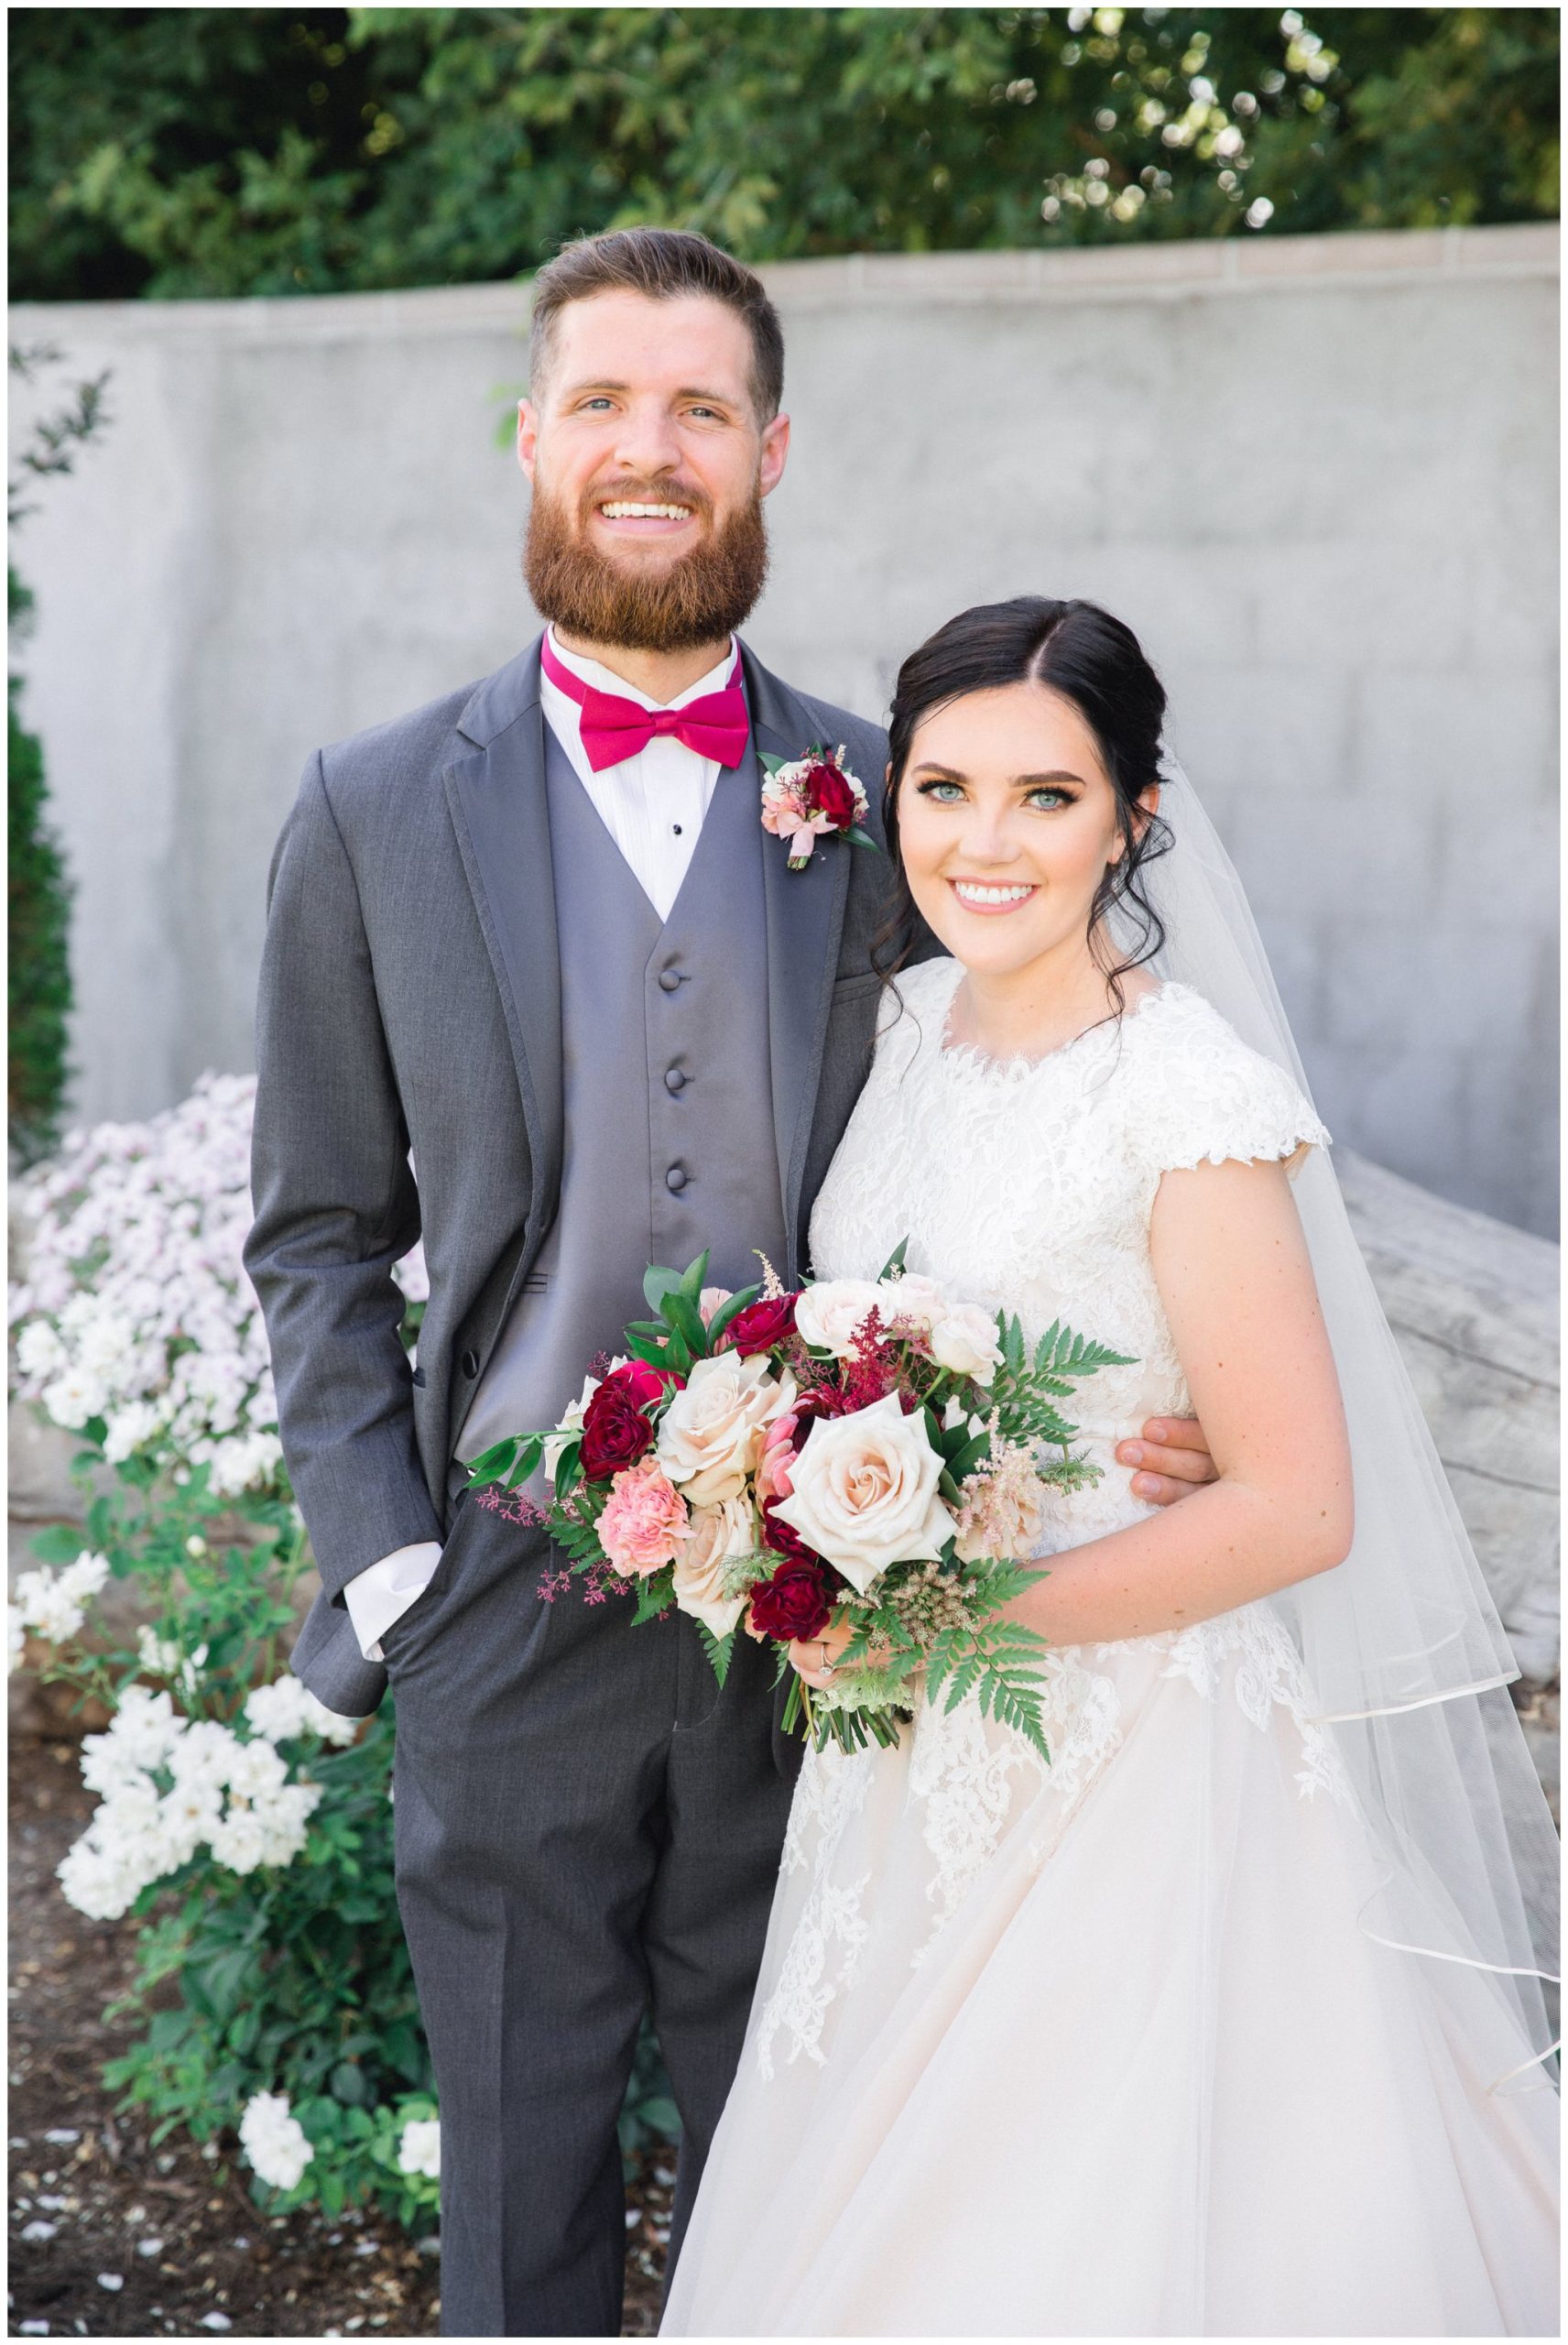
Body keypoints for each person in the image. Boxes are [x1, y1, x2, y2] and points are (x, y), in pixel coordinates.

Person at [244, 232, 1218, 2339]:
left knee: (843, 2164)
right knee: (517, 2179)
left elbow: (1069, 1086)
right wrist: (391, 1566)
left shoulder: (897, 797)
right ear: (530, 438)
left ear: (768, 450)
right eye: (601, 401)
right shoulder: (375, 808)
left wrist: (1177, 1375)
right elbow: (317, 1228)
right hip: (499, 1591)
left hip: (840, 1591)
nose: (647, 450)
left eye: (698, 408)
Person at [660, 595, 1559, 2339]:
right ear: (889, 796)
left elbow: (1298, 1502)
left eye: (1048, 797)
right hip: (902, 1749)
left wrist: (955, 1611)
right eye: (943, 788)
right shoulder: (901, 1030)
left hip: (1122, 1758)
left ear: (1136, 817)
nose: (984, 843)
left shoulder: (1185, 1094)